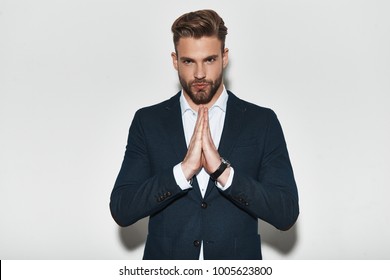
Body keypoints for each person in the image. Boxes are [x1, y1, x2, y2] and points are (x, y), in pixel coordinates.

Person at [109, 9, 299, 260]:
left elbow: (285, 213)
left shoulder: (261, 122)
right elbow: (122, 209)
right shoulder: (148, 121)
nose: (199, 74)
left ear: (225, 57)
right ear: (175, 61)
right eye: (189, 61)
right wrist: (182, 172)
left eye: (209, 60)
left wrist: (222, 173)